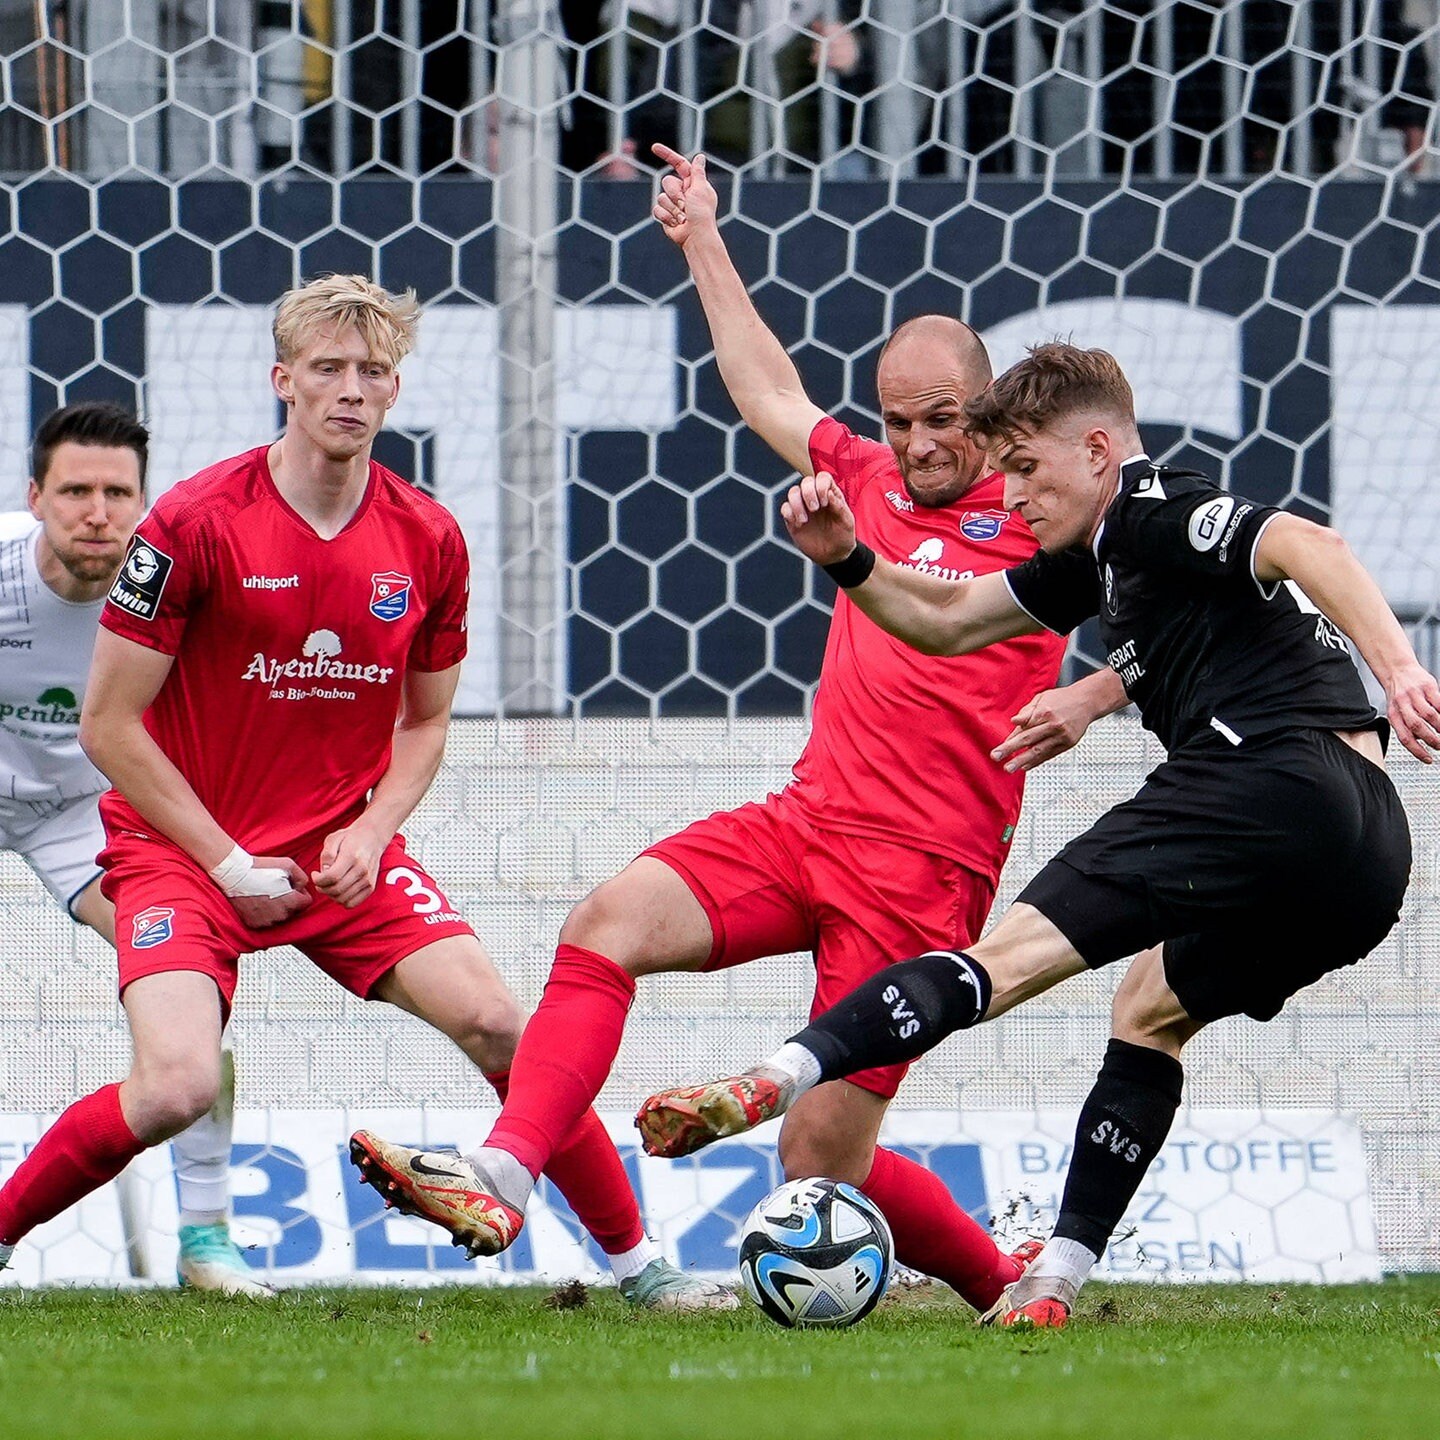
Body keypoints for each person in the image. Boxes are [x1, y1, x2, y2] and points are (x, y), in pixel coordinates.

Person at [347, 153, 1129, 1315]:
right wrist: (701, 238)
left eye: (945, 422)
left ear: (996, 414)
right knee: (604, 925)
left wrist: (1098, 694)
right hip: (807, 822)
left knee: (819, 1165)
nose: (917, 443)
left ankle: (1003, 1286)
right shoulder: (863, 474)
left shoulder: (1042, 513)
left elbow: (1196, 600)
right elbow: (767, 390)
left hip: (923, 874)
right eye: (897, 418)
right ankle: (503, 1174)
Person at [633, 340, 1437, 1327]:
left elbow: (1314, 547)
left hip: (1262, 775)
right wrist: (848, 558)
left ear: (1097, 451)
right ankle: (1051, 1281)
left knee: (998, 963)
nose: (1011, 498)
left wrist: (1401, 670)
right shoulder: (1092, 565)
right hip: (1365, 856)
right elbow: (944, 618)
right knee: (1149, 1012)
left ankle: (769, 1081)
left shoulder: (1152, 510)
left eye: (1025, 468)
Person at [0, 276, 728, 1312]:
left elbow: (425, 722)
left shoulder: (429, 538)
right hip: (184, 853)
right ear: (282, 381)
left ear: (395, 389)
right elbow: (108, 725)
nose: (350, 389)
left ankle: (639, 1265)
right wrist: (224, 861)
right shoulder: (192, 522)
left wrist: (376, 827)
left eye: (372, 371)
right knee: (177, 1086)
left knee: (503, 1027)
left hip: (344, 852)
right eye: (328, 369)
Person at [0, 401, 269, 1296]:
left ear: (144, 503)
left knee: (185, 1001)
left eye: (118, 492)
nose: (97, 511)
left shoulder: (173, 590)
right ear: (35, 497)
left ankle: (206, 1240)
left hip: (82, 812)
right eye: (75, 489)